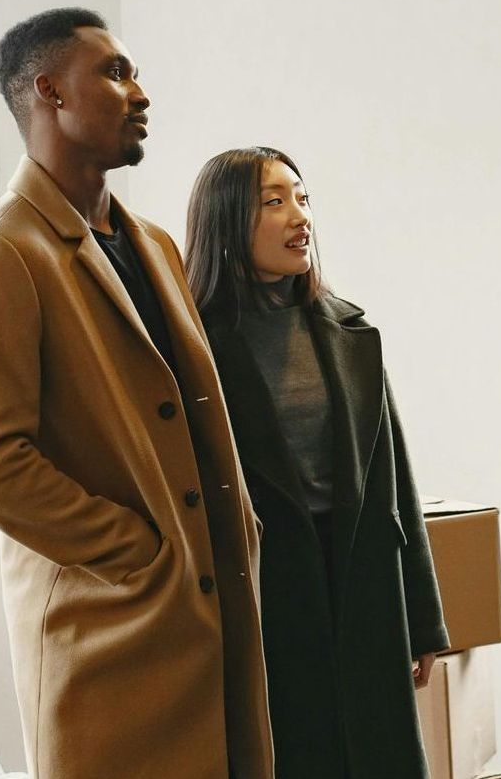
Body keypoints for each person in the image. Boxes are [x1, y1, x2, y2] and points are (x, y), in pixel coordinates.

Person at [0, 8, 273, 779]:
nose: (141, 92)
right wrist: (136, 551)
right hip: (110, 631)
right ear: (49, 91)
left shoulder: (152, 242)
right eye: (116, 74)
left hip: (212, 617)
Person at [184, 147, 449, 779]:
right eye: (273, 202)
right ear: (226, 222)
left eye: (303, 199)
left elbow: (395, 482)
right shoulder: (193, 349)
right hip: (269, 591)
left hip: (363, 585)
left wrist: (423, 618)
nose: (299, 217)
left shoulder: (348, 331)